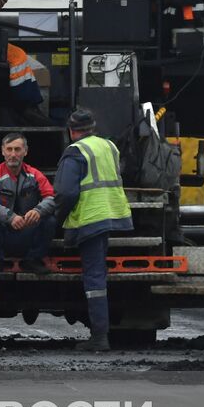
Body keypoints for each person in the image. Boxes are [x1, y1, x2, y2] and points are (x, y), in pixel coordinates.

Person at [52, 108, 133, 352]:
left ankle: (99, 337)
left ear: (70, 131)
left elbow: (66, 192)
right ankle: (100, 334)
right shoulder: (109, 146)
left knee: (94, 278)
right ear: (93, 128)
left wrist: (57, 221)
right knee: (98, 274)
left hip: (90, 217)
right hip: (111, 213)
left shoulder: (75, 152)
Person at [0, 133, 57, 273]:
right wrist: (9, 217)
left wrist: (38, 210)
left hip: (28, 231)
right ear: (2, 151)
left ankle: (32, 260)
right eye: (9, 149)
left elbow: (51, 197)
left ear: (25, 151)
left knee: (50, 221)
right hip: (3, 232)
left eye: (17, 149)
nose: (13, 154)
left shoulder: (35, 175)